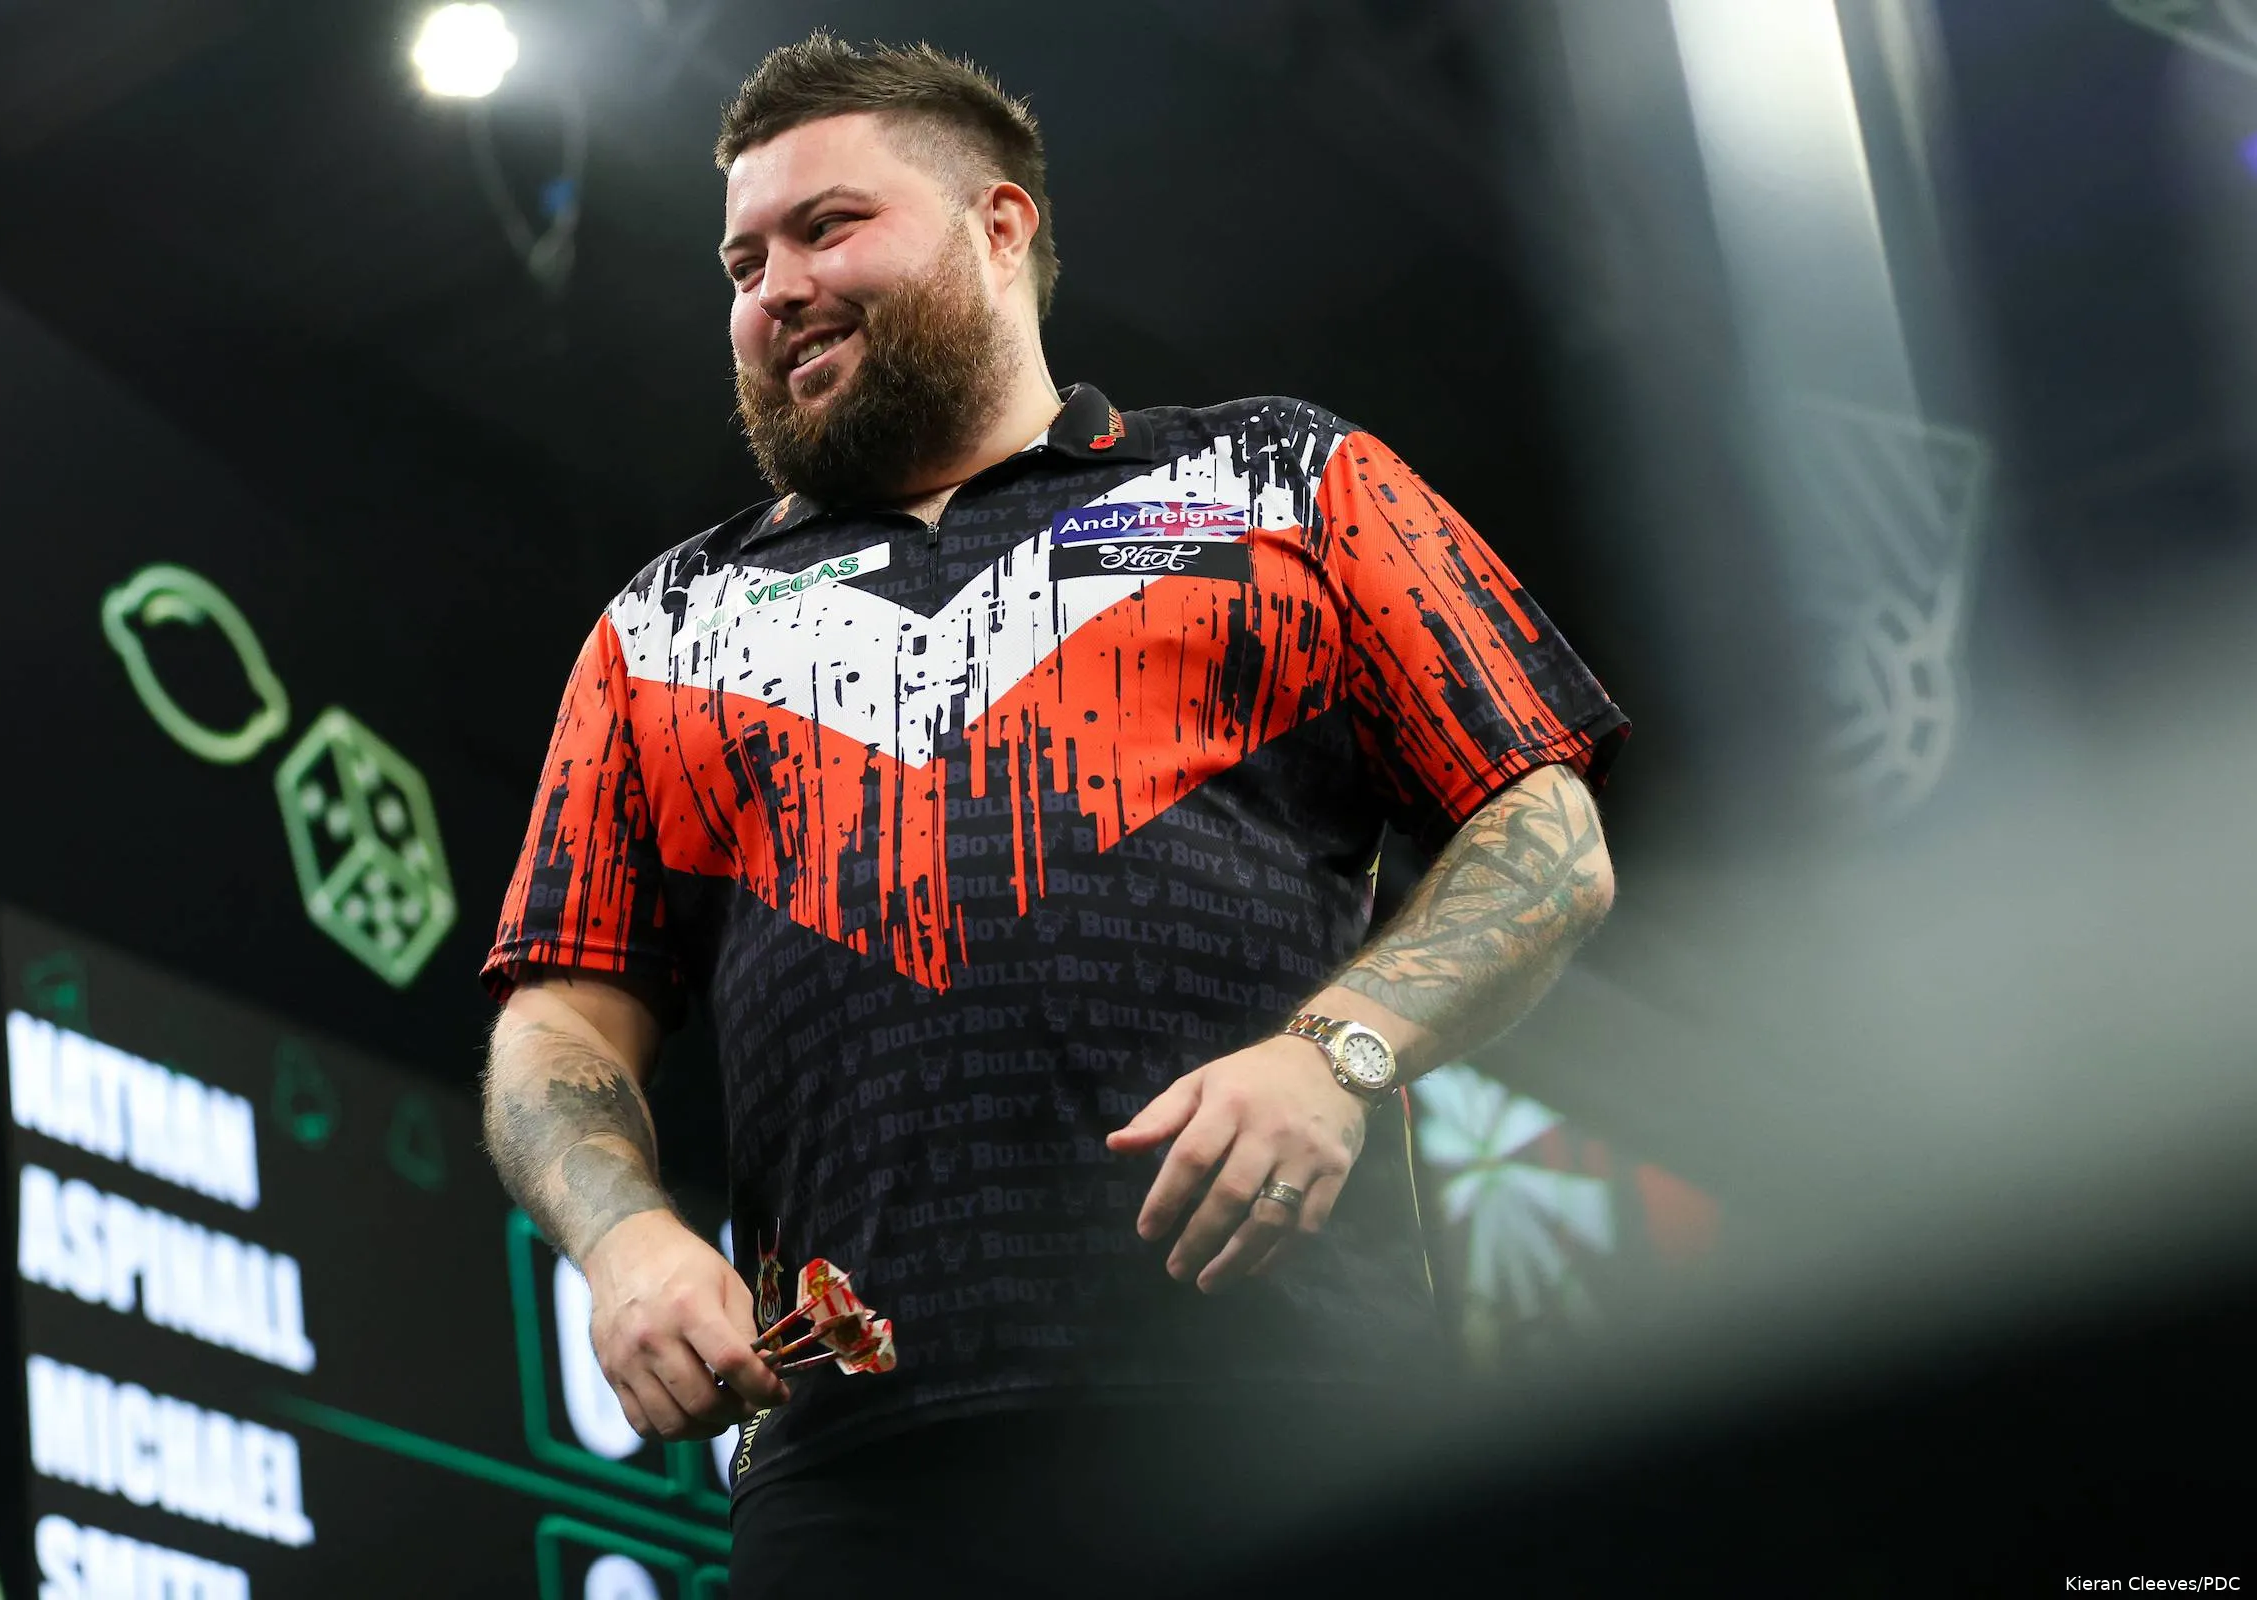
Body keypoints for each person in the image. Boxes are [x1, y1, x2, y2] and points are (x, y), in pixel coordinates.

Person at [480, 31, 1629, 1600]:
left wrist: (1338, 1049)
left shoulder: (1282, 479)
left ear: (998, 227)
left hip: (1297, 1413)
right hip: (859, 1472)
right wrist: (621, 1238)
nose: (774, 287)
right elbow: (559, 1020)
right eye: (743, 261)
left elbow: (1545, 832)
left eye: (830, 226)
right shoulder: (665, 624)